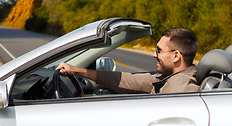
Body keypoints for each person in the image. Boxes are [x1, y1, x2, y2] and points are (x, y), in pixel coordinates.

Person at [58, 27, 199, 94]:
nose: (154, 55)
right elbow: (125, 80)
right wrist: (76, 70)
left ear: (176, 56)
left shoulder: (181, 89)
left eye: (159, 50)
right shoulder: (169, 79)